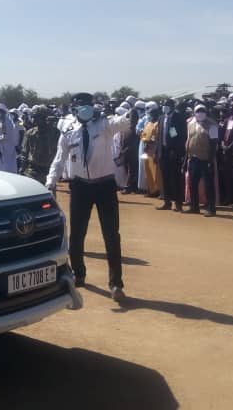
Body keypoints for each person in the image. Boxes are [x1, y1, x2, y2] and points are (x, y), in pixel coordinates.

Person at [45, 93, 131, 302]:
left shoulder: (104, 125)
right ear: (75, 109)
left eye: (89, 106)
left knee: (111, 235)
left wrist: (131, 112)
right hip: (80, 186)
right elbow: (59, 158)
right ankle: (78, 273)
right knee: (77, 234)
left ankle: (116, 283)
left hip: (105, 185)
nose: (86, 109)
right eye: (82, 106)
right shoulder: (68, 131)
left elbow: (124, 123)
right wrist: (50, 181)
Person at [183, 105, 220, 217]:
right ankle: (194, 207)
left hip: (206, 160)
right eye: (198, 111)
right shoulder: (190, 124)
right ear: (194, 113)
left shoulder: (212, 125)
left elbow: (214, 144)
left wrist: (210, 160)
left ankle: (211, 209)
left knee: (209, 185)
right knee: (192, 184)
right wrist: (185, 160)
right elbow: (188, 142)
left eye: (203, 111)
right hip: (193, 158)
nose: (200, 113)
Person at [157, 98, 188, 212]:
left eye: (166, 105)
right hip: (163, 152)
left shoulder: (178, 118)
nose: (164, 107)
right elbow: (159, 136)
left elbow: (180, 136)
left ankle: (178, 203)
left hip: (173, 152)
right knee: (165, 178)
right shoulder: (161, 118)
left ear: (172, 107)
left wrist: (176, 151)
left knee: (175, 179)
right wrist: (158, 152)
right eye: (163, 105)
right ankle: (167, 202)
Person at [19, 106, 60, 184]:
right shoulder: (30, 133)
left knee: (48, 194)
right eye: (33, 117)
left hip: (48, 170)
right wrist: (22, 168)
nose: (34, 119)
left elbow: (60, 152)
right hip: (32, 170)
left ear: (44, 118)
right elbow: (25, 152)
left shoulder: (55, 133)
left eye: (37, 117)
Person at [139, 105, 162, 196]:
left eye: (153, 113)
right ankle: (151, 190)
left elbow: (157, 136)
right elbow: (143, 134)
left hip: (154, 149)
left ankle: (159, 191)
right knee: (147, 170)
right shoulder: (148, 124)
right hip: (146, 149)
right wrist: (145, 141)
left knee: (156, 172)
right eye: (150, 113)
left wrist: (151, 141)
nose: (152, 115)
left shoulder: (158, 123)